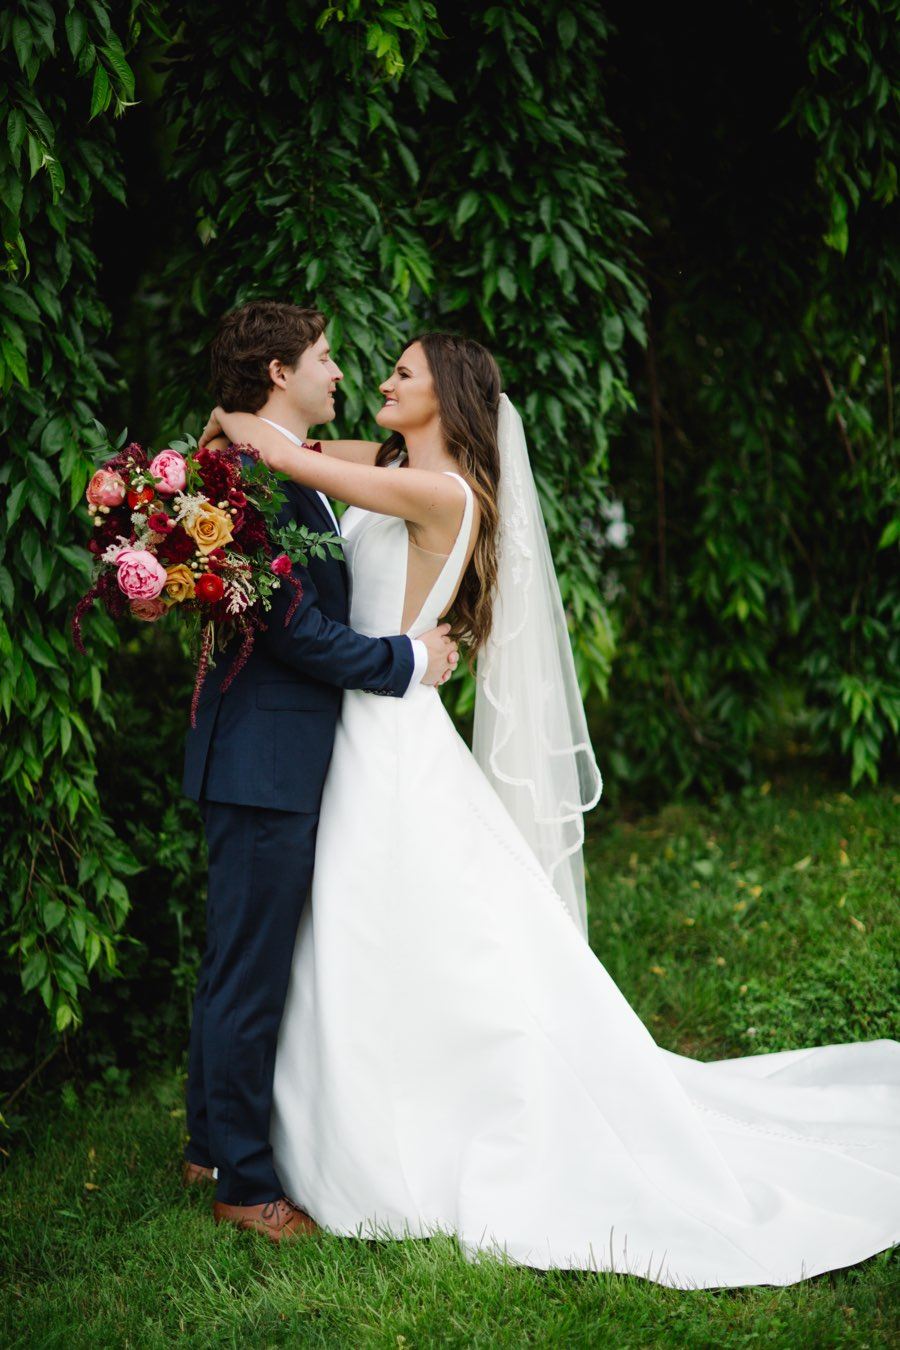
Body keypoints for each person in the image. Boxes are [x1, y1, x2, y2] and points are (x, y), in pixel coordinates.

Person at [203, 331, 899, 1287]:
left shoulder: (443, 494)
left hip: (387, 743)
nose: (379, 380)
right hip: (359, 737)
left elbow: (281, 454)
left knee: (393, 935)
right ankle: (296, 1125)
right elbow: (305, 459)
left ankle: (411, 1125)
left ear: (444, 396)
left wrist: (220, 427)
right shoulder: (396, 465)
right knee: (357, 938)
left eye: (401, 372)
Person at [182, 302, 459, 1242]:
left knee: (236, 960)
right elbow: (294, 630)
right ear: (277, 374)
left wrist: (236, 430)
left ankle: (208, 1138)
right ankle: (244, 1182)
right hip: (266, 758)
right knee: (249, 973)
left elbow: (311, 453)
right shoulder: (260, 486)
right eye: (326, 357)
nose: (341, 371)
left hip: (269, 754)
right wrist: (406, 663)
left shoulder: (285, 471)